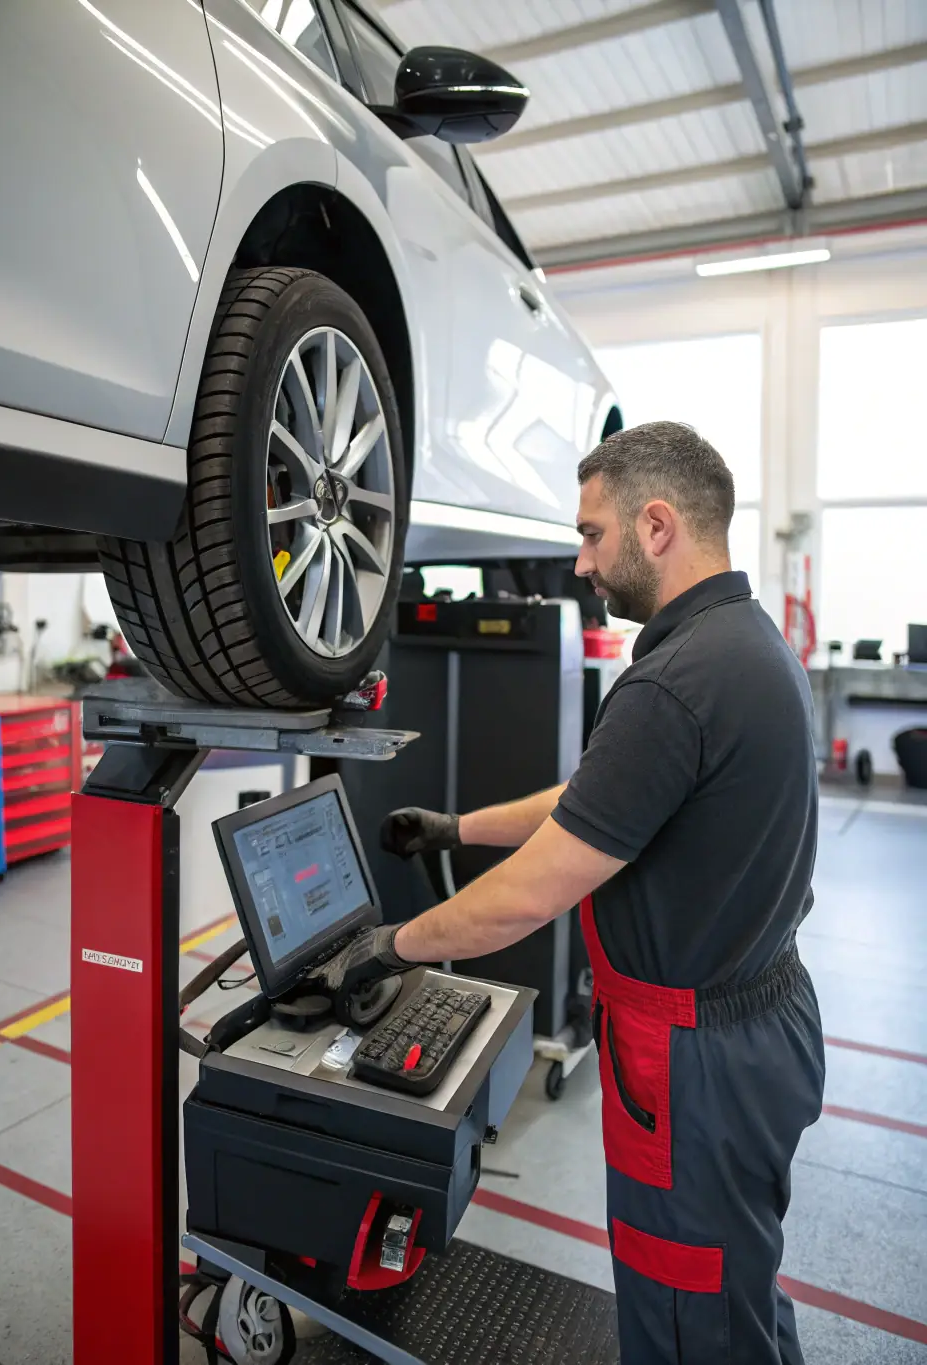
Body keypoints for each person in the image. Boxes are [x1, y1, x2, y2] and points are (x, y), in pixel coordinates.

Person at [320, 420, 825, 1364]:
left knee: (687, 1315)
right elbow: (599, 803)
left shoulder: (675, 682)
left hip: (695, 1061)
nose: (582, 561)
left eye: (594, 533)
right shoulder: (743, 645)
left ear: (659, 525)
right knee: (733, 1281)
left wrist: (392, 945)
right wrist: (456, 828)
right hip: (760, 1023)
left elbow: (531, 895)